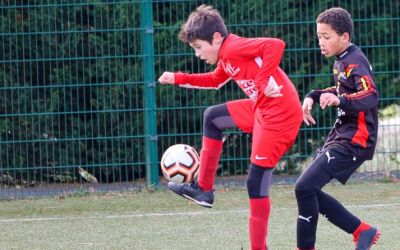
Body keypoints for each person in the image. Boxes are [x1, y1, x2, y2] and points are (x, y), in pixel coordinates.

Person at [158, 4, 302, 250]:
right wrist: (179, 78)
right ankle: (203, 189)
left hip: (280, 116)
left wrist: (262, 78)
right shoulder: (225, 56)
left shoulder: (232, 47)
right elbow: (215, 81)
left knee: (255, 183)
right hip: (261, 108)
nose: (197, 55)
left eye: (198, 48)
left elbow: (275, 45)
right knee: (213, 117)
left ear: (216, 38)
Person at [295, 7, 380, 250]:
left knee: (304, 187)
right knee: (307, 189)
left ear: (344, 37)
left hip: (356, 139)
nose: (321, 42)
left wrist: (340, 101)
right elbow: (342, 90)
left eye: (326, 36)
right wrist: (314, 95)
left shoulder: (355, 61)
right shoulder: (341, 61)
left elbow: (371, 95)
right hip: (342, 135)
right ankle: (362, 231)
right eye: (319, 37)